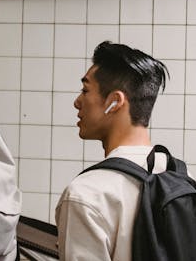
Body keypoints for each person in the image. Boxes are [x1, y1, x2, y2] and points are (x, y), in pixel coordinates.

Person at [55, 41, 169, 261]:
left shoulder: (86, 195)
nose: (77, 102)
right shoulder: (180, 177)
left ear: (114, 102)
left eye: (85, 90)